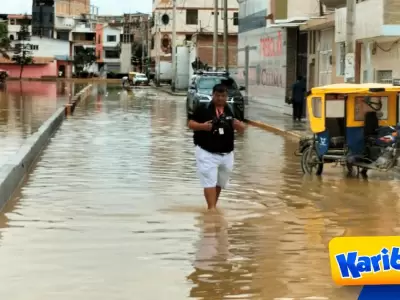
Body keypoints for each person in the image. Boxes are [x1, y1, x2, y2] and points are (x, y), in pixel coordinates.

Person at [187, 83, 246, 210]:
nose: (220, 98)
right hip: (206, 152)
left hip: (227, 153)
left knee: (220, 182)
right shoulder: (203, 109)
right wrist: (203, 127)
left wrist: (240, 127)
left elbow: (242, 127)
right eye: (217, 95)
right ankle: (212, 210)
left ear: (226, 96)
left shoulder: (232, 109)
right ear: (213, 95)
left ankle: (213, 205)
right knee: (209, 181)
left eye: (223, 95)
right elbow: (190, 123)